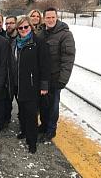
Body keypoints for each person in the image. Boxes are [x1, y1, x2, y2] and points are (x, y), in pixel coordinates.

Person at [12, 16, 50, 153]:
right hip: (18, 84)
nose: (23, 30)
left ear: (31, 27)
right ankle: (24, 131)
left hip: (32, 85)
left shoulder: (38, 42)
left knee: (31, 114)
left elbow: (45, 65)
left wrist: (44, 86)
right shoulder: (14, 43)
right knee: (22, 112)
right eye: (20, 28)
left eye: (26, 27)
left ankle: (32, 141)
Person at [39, 7, 75, 141]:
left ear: (57, 17)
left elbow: (68, 58)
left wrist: (63, 80)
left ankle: (51, 130)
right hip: (43, 78)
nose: (50, 20)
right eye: (48, 17)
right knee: (43, 104)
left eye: (53, 17)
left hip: (56, 78)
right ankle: (43, 125)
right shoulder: (42, 33)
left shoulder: (65, 34)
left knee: (53, 106)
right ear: (44, 18)